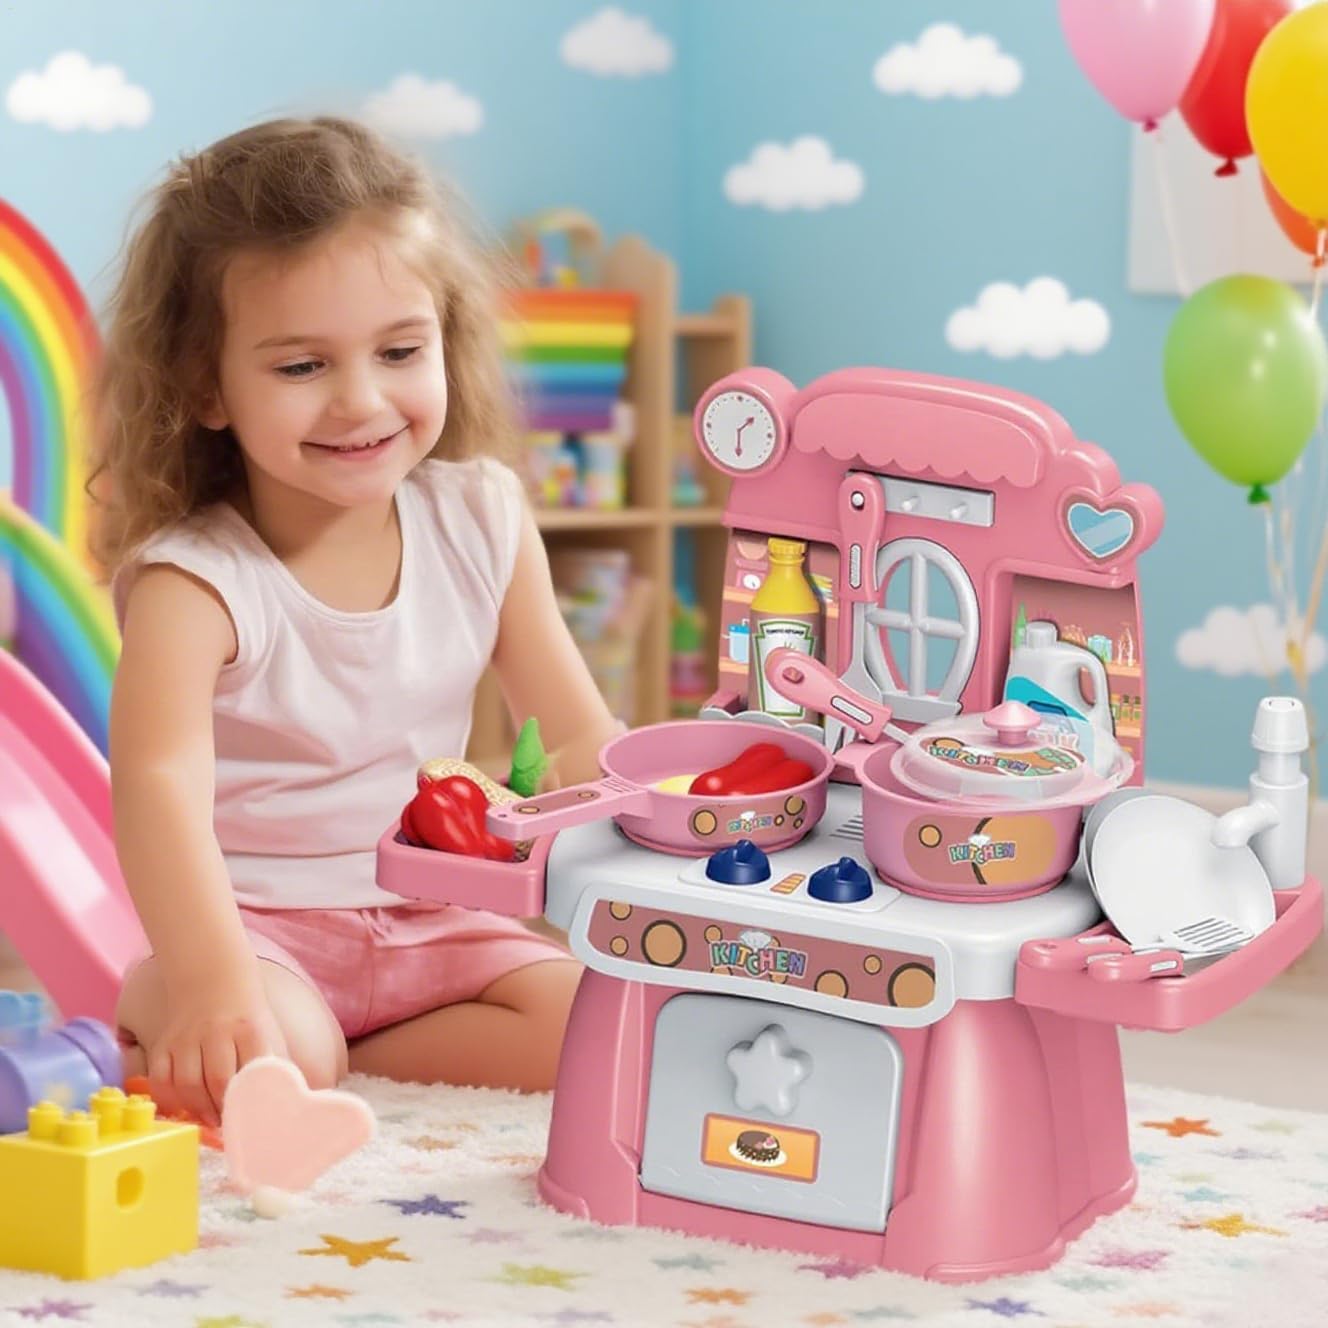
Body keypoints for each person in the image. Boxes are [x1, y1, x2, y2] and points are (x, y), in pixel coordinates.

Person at [91, 116, 621, 1126]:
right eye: (302, 367)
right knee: (277, 1054)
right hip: (255, 931)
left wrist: (666, 815)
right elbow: (157, 792)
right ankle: (219, 1021)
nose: (361, 401)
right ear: (207, 385)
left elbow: (573, 733)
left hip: (438, 918)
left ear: (445, 340)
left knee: (606, 1022)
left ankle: (352, 1053)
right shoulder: (193, 585)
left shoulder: (483, 517)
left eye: (399, 350)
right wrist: (210, 982)